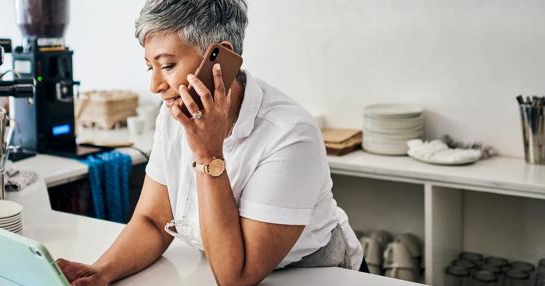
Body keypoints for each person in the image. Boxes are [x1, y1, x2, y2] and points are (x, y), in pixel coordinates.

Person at [56, 1, 363, 285]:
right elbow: (152, 222)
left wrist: (207, 153)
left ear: (220, 61)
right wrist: (101, 271)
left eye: (167, 65)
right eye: (151, 67)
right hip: (219, 266)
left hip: (316, 275)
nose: (155, 85)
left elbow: (236, 276)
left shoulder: (291, 135)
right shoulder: (175, 113)